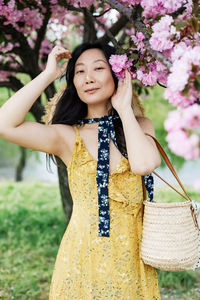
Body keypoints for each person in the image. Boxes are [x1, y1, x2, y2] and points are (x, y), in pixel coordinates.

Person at [0, 42, 161, 299]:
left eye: (99, 68)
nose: (88, 78)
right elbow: (5, 124)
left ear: (117, 75)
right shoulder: (67, 136)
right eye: (79, 72)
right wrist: (49, 74)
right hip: (82, 259)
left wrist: (123, 109)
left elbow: (143, 165)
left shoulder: (141, 126)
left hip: (133, 259)